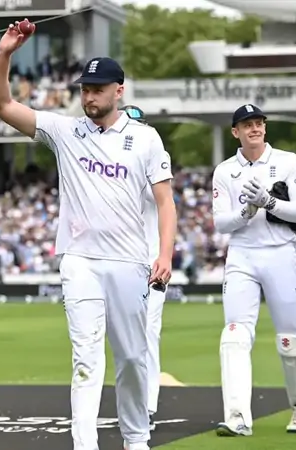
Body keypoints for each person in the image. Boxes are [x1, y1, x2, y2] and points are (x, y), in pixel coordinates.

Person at [0, 23, 176, 450]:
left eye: (98, 88)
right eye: (85, 89)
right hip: (80, 261)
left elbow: (166, 203)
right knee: (87, 357)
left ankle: (135, 439)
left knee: (131, 358)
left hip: (131, 262)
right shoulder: (64, 131)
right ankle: (85, 444)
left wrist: (164, 255)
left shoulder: (145, 138)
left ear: (119, 90)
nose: (89, 96)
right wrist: (4, 53)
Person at [212, 104, 296, 437]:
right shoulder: (225, 171)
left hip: (280, 253)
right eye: (247, 124)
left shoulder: (287, 162)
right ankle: (238, 416)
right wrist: (247, 210)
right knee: (235, 334)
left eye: (258, 123)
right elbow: (221, 222)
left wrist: (270, 203)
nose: (254, 128)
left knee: (289, 338)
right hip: (242, 255)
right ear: (235, 132)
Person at [120, 104, 167, 430]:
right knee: (114, 337)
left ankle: (146, 406)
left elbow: (161, 199)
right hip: (115, 258)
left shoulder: (152, 150)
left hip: (149, 260)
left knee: (148, 333)